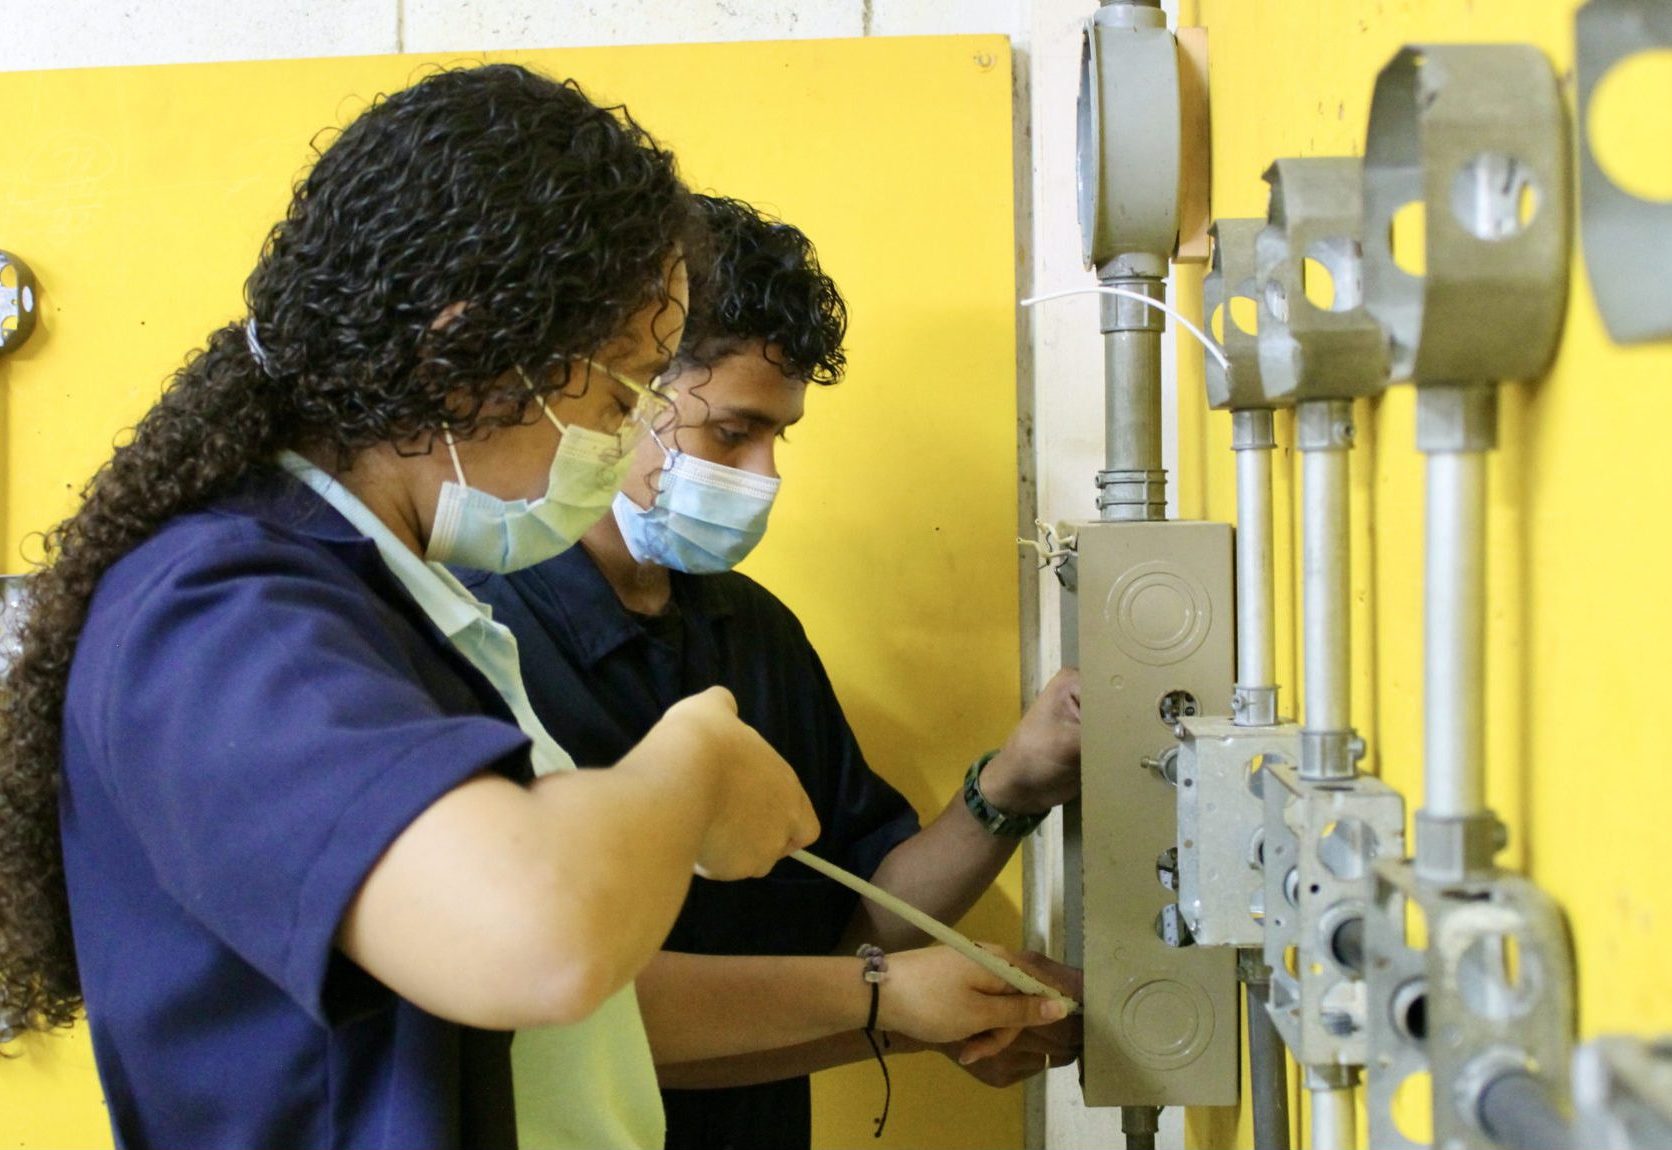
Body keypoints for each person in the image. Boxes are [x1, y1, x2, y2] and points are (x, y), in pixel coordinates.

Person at [0, 66, 1068, 1150]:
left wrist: (885, 1001)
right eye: (613, 396)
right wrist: (692, 765)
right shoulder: (219, 613)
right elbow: (535, 937)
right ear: (464, 354)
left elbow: (573, 1015)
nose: (613, 442)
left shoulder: (395, 604)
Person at [468, 194, 1084, 1150]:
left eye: (777, 438)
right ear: (616, 392)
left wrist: (1012, 786)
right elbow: (561, 1009)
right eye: (730, 433)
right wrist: (886, 1008)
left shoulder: (749, 632)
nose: (763, 476)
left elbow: (862, 919)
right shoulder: (482, 630)